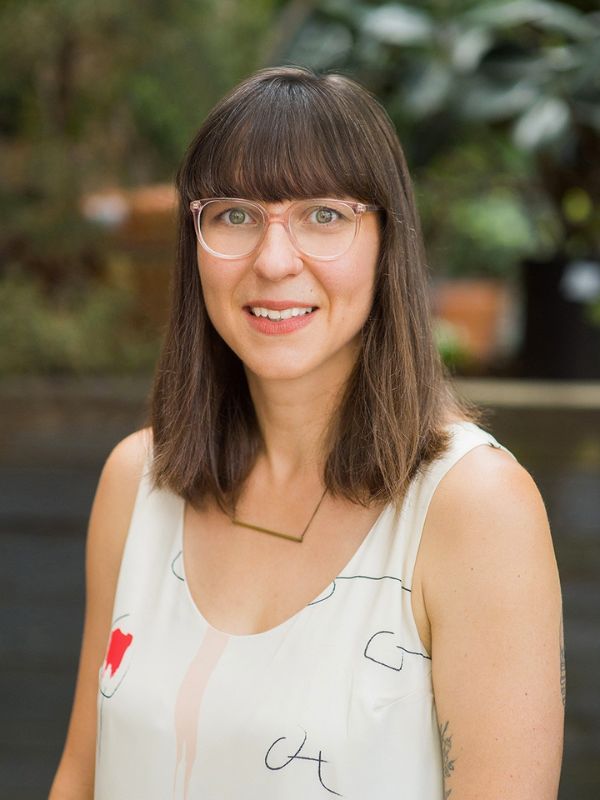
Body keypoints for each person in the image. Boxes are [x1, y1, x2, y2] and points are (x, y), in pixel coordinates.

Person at [49, 66, 564, 800]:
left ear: (387, 239)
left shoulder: (475, 506)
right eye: (235, 214)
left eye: (324, 214)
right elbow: (82, 777)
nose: (274, 259)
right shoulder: (138, 480)